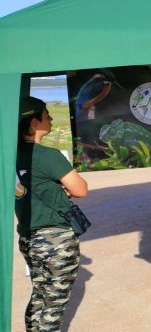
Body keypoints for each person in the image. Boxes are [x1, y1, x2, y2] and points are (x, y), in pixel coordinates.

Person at [15, 96, 89, 331]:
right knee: (53, 305)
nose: (51, 119)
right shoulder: (47, 155)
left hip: (28, 236)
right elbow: (80, 189)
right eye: (47, 115)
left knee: (39, 295)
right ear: (34, 122)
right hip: (55, 239)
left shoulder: (10, 156)